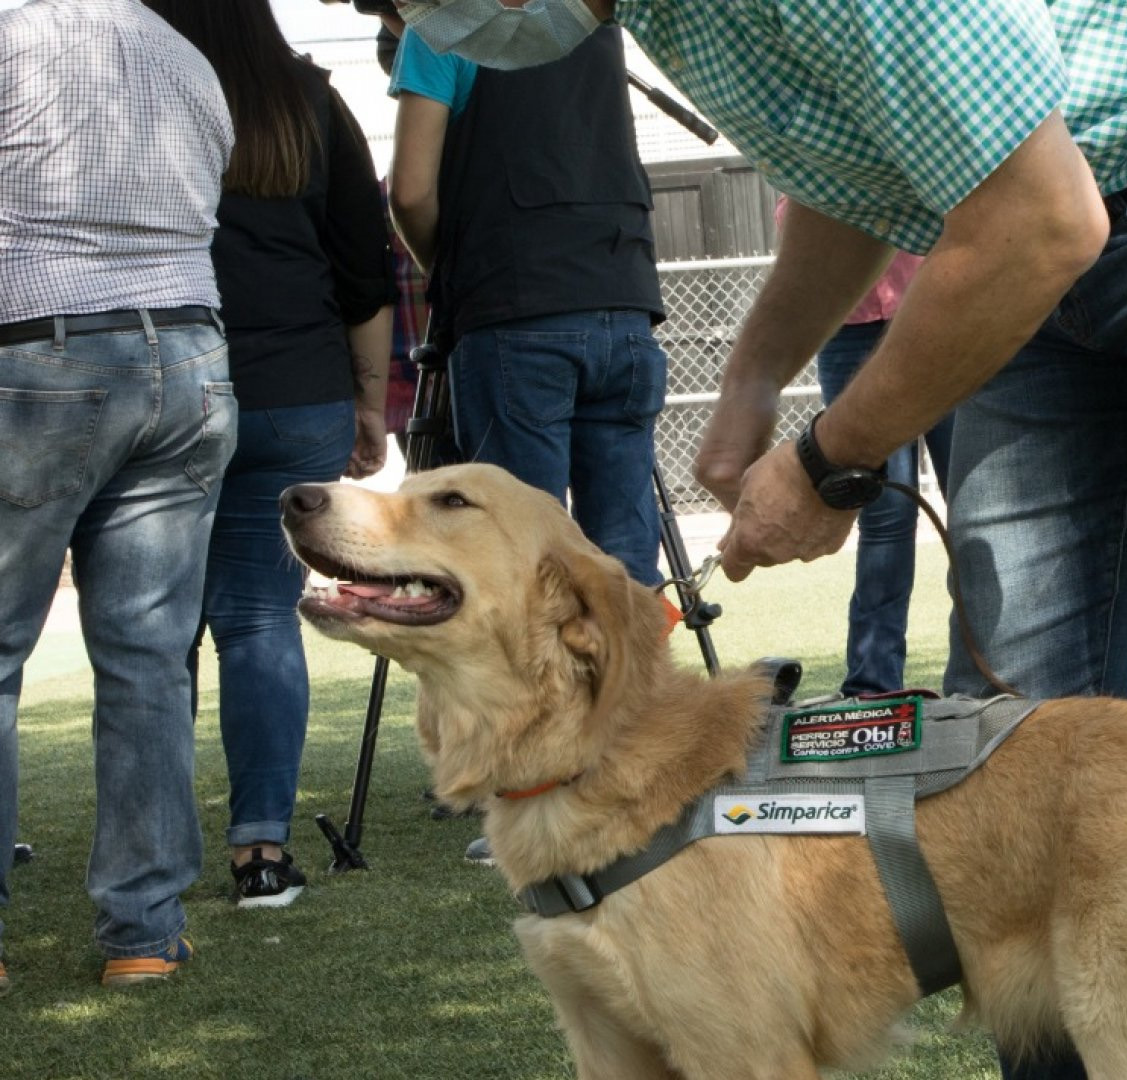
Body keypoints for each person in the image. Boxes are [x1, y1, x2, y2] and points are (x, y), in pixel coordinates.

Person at [407, 0, 1127, 1076]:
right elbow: (865, 173)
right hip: (1040, 223)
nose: (409, 19)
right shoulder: (662, 14)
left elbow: (1043, 218)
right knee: (1009, 735)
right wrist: (753, 372)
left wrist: (833, 460)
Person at [0, 0, 234, 987]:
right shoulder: (185, 56)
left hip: (40, 349)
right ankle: (144, 935)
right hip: (189, 351)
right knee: (148, 660)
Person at [144, 0, 398, 908]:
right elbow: (363, 265)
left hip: (169, 383)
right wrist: (370, 403)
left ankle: (149, 868)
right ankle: (262, 857)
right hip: (298, 392)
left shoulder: (138, 90)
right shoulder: (307, 101)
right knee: (258, 620)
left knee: (152, 634)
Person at [385, 20, 668, 587]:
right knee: (626, 566)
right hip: (623, 295)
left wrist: (450, 269)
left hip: (511, 310)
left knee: (521, 561)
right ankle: (635, 675)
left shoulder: (441, 26)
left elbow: (410, 192)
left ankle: (538, 680)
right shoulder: (594, 20)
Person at [777, 199, 951, 696]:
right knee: (883, 512)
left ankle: (986, 668)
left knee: (973, 501)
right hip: (847, 328)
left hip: (933, 314)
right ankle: (871, 684)